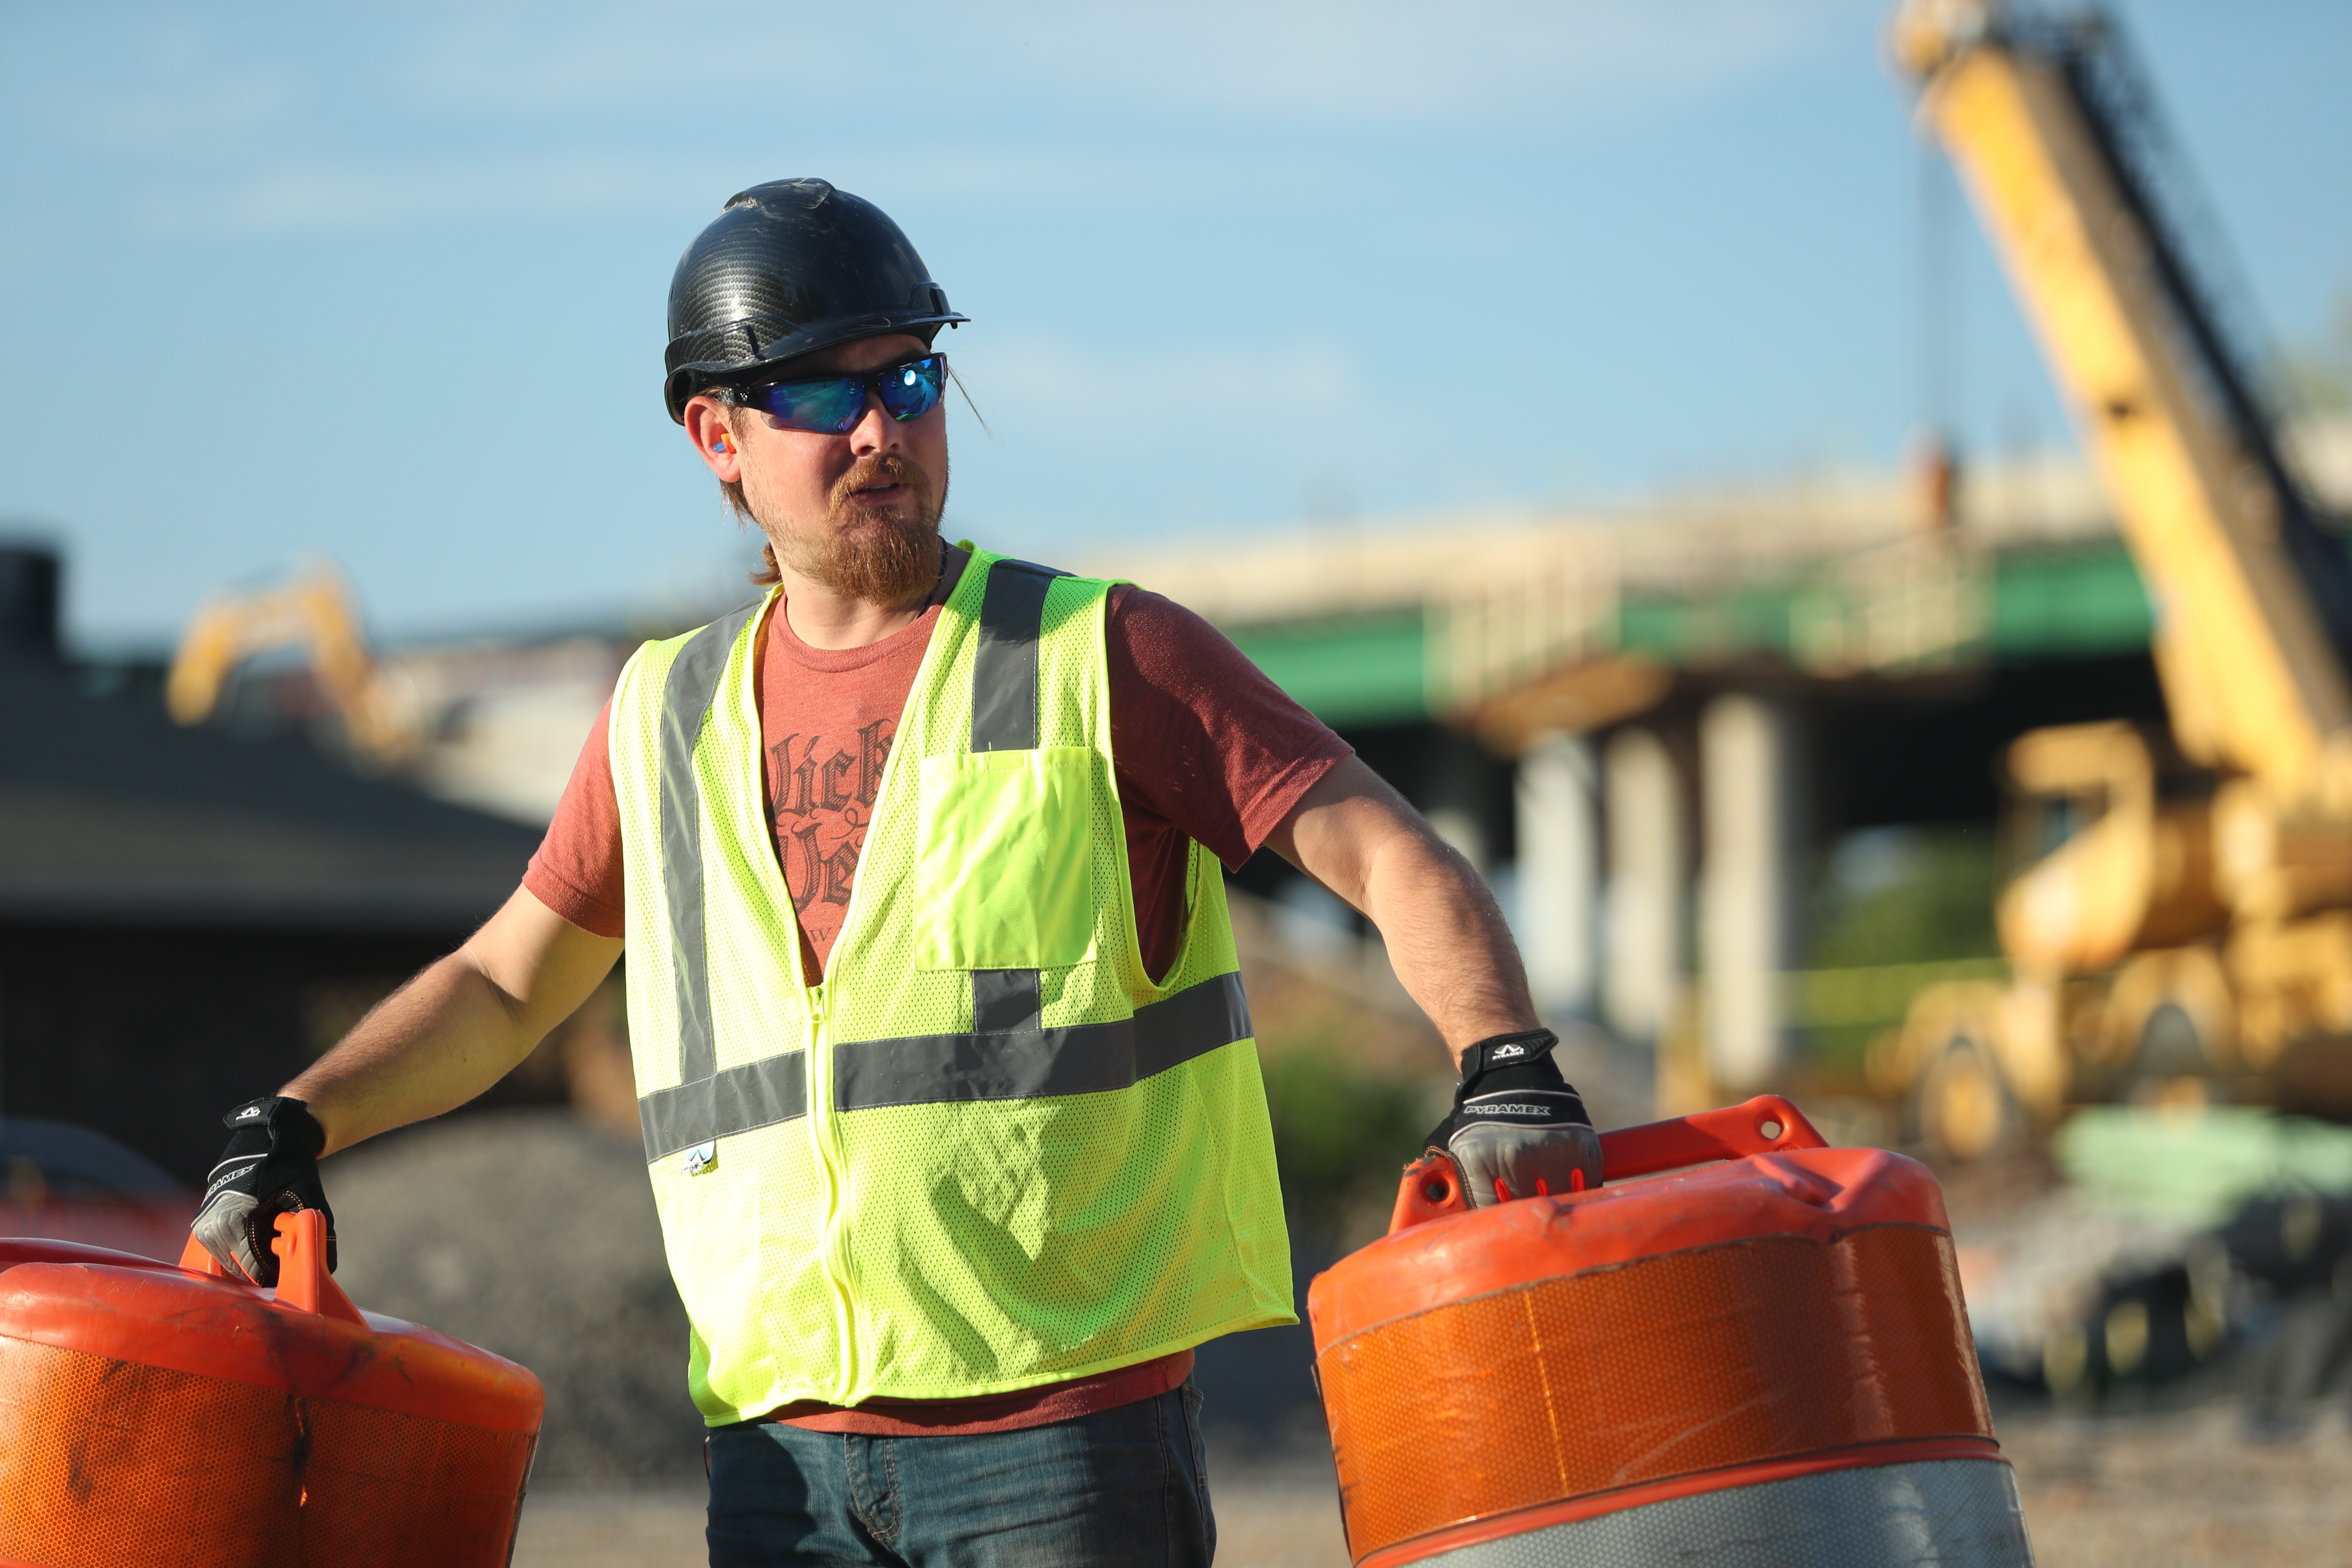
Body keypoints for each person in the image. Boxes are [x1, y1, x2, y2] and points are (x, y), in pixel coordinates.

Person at [192, 178, 1601, 1567]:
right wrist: (299, 1123)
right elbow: (505, 986)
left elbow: (1377, 842)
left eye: (912, 378)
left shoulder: (1099, 654)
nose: (881, 430)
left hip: (1063, 1450)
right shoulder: (663, 716)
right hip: (777, 1458)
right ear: (716, 437)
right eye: (817, 395)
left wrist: (1503, 1057)